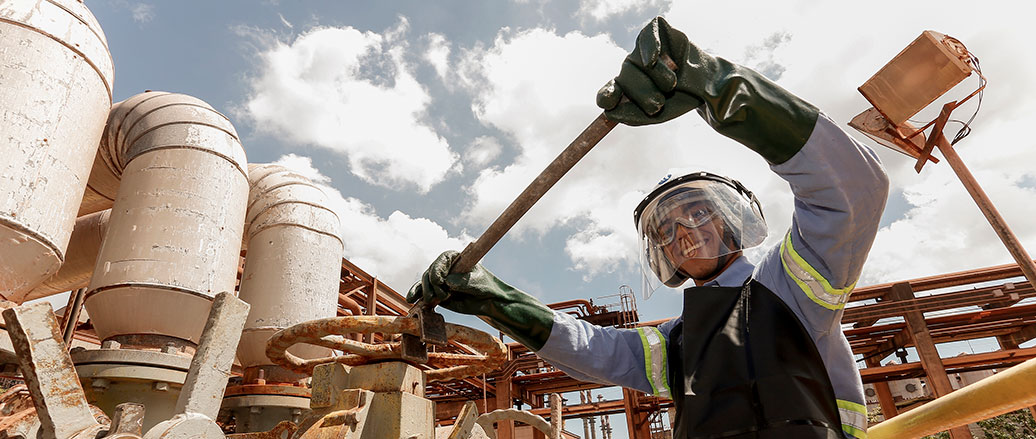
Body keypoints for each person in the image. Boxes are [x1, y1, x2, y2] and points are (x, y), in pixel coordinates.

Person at [408, 17, 888, 439]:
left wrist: (716, 86)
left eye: (699, 212)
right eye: (665, 229)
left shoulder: (788, 285)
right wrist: (496, 299)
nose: (683, 230)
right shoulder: (676, 343)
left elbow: (853, 190)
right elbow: (591, 348)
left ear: (732, 218)